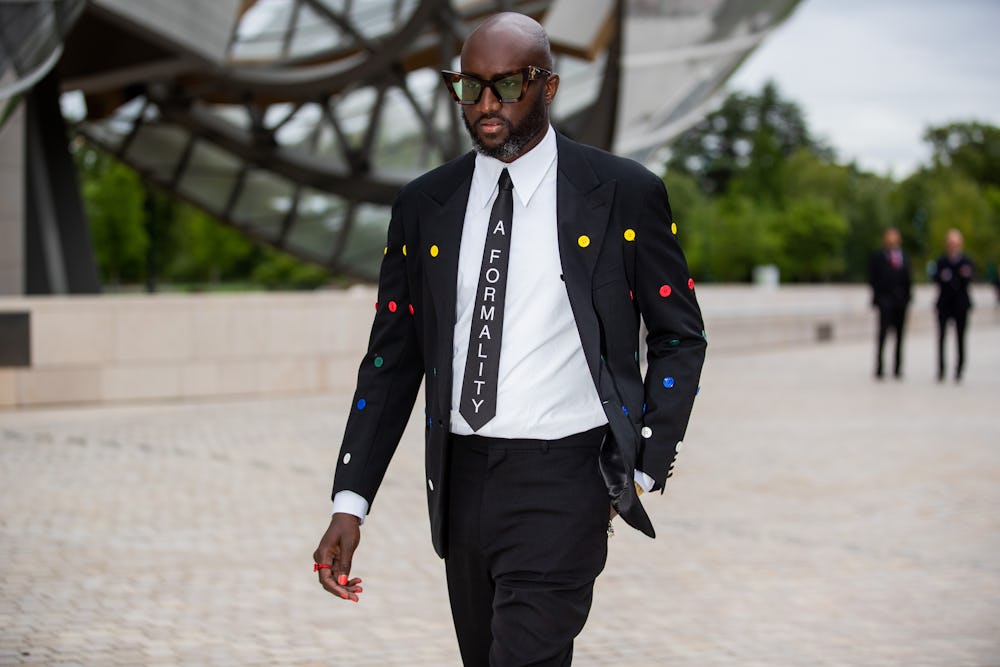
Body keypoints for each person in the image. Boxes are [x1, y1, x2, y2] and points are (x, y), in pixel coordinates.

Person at [312, 12, 706, 666]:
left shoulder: (622, 194)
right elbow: (390, 360)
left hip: (565, 480)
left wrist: (645, 460)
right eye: (470, 87)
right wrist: (350, 502)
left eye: (506, 85)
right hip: (461, 482)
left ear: (548, 87)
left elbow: (680, 333)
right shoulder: (423, 205)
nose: (486, 104)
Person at [868, 227, 912, 379]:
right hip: (885, 301)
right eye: (889, 236)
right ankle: (879, 367)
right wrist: (878, 299)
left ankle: (897, 368)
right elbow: (873, 279)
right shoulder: (878, 256)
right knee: (882, 335)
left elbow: (908, 280)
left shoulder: (904, 257)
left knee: (900, 336)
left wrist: (907, 299)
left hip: (900, 302)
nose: (892, 239)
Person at [932, 228, 974, 382]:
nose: (953, 245)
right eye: (950, 242)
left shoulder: (966, 261)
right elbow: (936, 277)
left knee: (960, 338)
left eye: (955, 243)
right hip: (944, 304)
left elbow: (968, 277)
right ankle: (941, 369)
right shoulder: (941, 261)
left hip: (961, 304)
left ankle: (959, 369)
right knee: (941, 338)